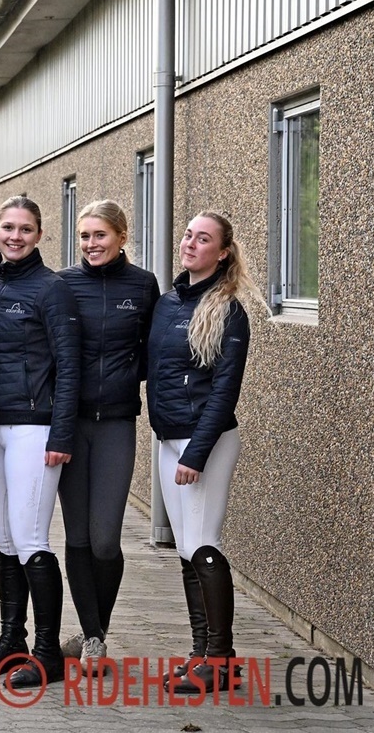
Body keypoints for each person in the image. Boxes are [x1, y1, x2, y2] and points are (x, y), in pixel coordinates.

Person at [0, 196, 81, 688]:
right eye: (8, 227)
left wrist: (62, 433)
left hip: (35, 428)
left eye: (25, 229)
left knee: (31, 538)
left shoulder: (52, 289)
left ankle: (47, 653)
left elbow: (70, 366)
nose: (15, 236)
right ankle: (11, 641)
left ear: (39, 234)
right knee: (5, 539)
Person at [148, 211, 262, 694]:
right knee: (186, 549)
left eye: (204, 239)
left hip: (206, 443)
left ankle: (221, 660)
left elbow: (224, 392)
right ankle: (201, 654)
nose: (191, 244)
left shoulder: (229, 310)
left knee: (203, 544)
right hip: (167, 438)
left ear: (223, 252)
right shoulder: (167, 302)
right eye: (188, 235)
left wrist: (195, 454)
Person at [55, 200, 160, 666]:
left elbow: (155, 349)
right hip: (71, 423)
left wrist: (126, 378)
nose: (91, 244)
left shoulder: (143, 285)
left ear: (121, 236)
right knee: (77, 536)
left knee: (104, 540)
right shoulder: (63, 284)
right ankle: (94, 638)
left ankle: (94, 630)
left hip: (117, 421)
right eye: (84, 236)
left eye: (100, 235)